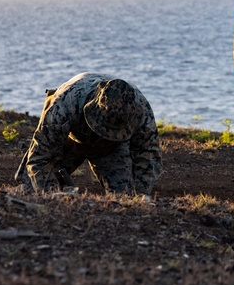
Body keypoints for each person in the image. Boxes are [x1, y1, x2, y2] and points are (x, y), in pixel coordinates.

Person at [14, 72, 161, 198]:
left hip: (111, 149)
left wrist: (142, 195)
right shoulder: (65, 104)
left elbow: (148, 156)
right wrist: (51, 195)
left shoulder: (141, 111)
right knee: (32, 190)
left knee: (125, 197)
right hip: (68, 142)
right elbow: (40, 157)